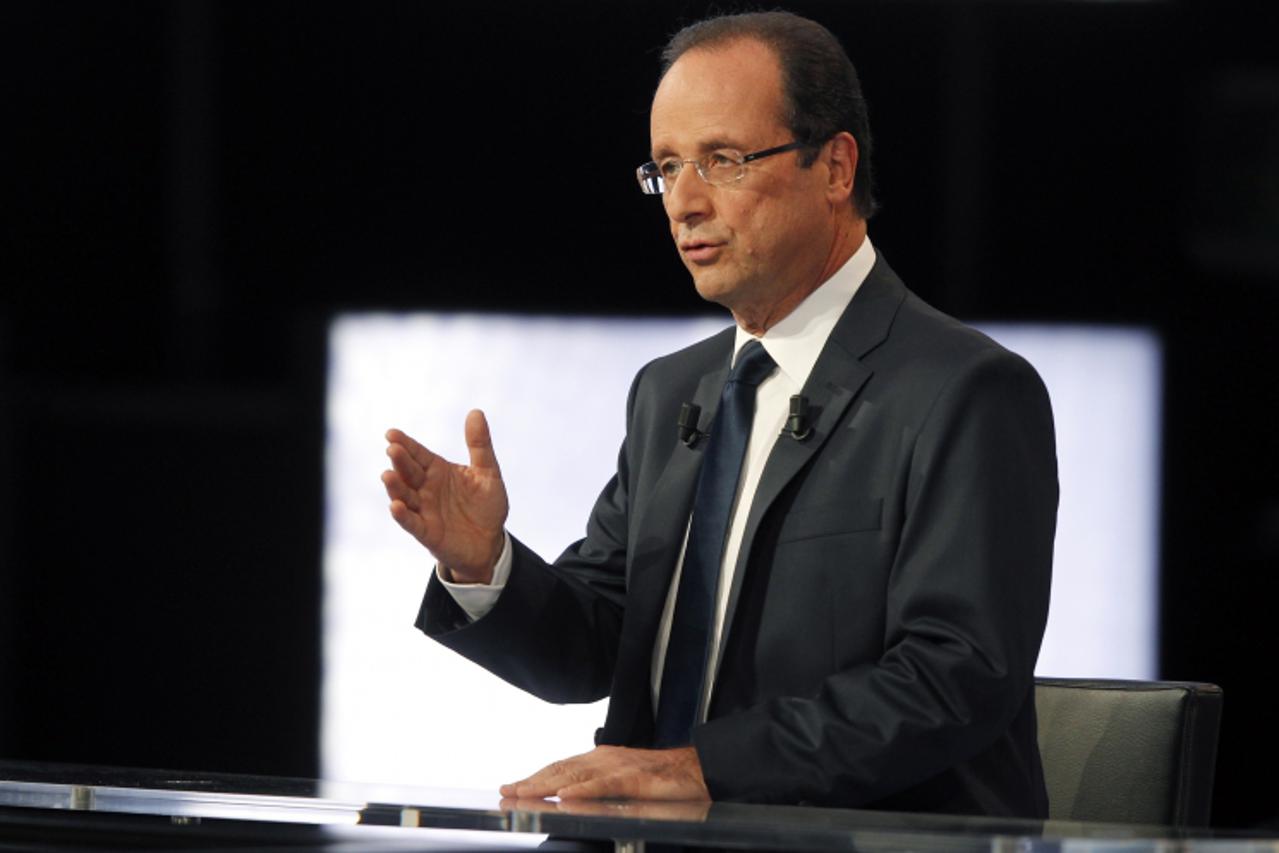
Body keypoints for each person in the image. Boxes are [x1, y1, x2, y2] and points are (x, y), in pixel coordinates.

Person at [382, 11, 1057, 817]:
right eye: (666, 167)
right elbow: (597, 644)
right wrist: (483, 564)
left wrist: (703, 768)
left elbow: (955, 676)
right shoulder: (670, 392)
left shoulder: (964, 390)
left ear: (835, 166)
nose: (685, 202)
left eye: (722, 160)